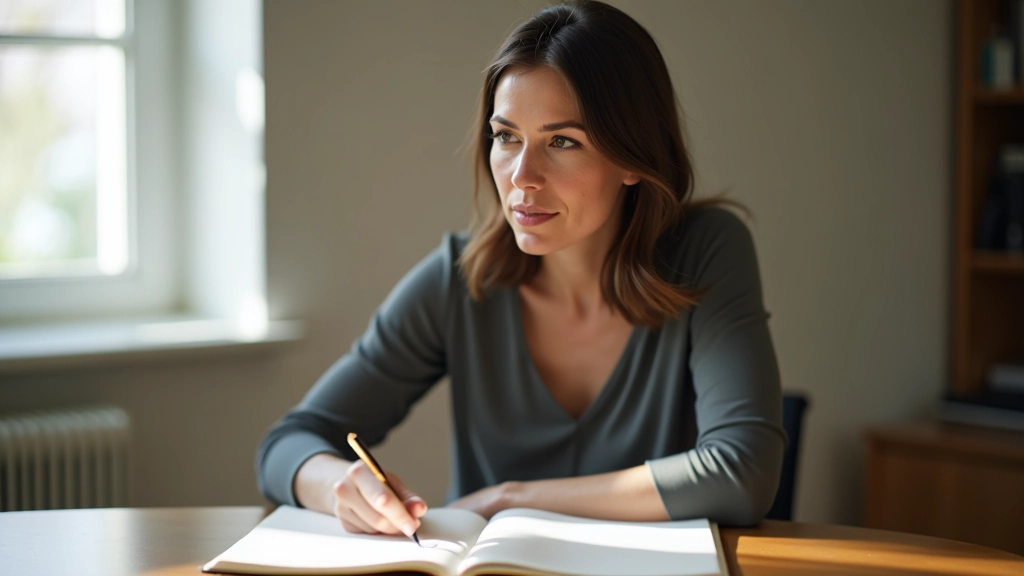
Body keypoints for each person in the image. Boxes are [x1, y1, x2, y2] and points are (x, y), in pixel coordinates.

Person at [256, 0, 784, 538]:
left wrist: (511, 498)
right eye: (506, 136)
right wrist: (341, 487)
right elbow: (288, 444)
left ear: (633, 157)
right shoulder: (459, 281)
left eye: (563, 141)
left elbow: (743, 472)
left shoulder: (707, 249)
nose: (522, 177)